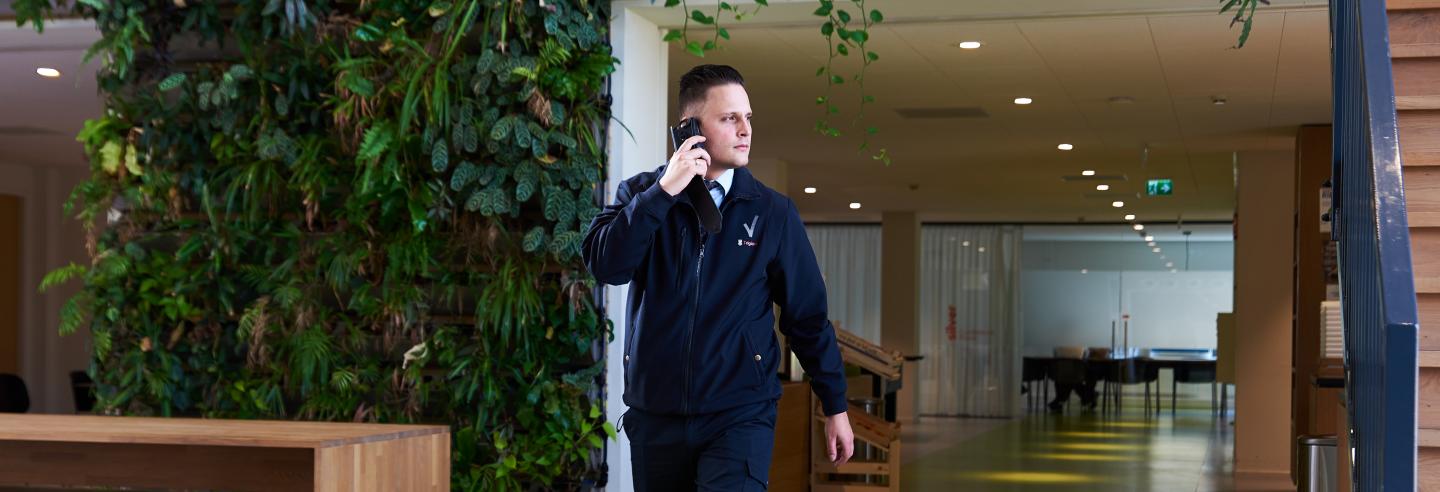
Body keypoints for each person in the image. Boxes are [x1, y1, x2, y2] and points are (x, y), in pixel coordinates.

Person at [582, 64, 854, 491]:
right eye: (730, 118)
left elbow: (807, 318)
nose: (745, 129)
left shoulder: (772, 213)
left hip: (740, 414)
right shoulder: (640, 195)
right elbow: (607, 266)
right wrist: (662, 193)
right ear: (689, 127)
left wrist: (835, 405)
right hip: (656, 417)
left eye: (748, 118)